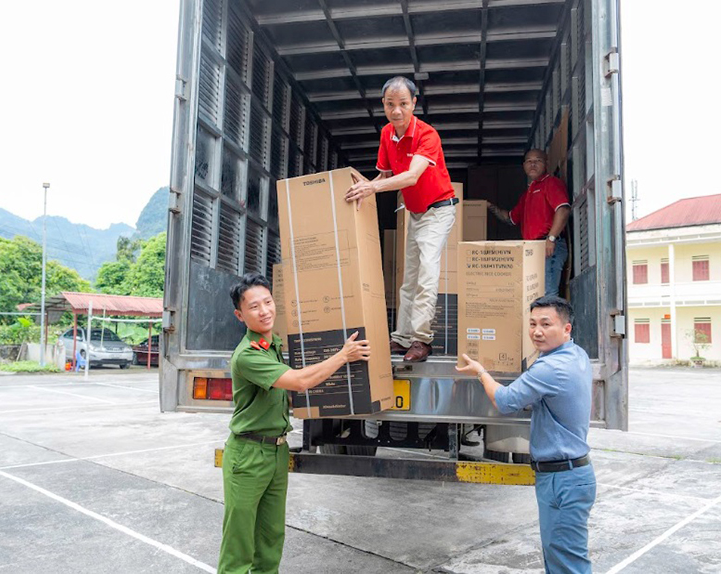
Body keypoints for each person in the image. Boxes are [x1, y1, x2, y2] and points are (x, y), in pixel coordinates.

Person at [218, 273, 371, 574]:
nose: (264, 311)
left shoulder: (272, 345)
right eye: (254, 307)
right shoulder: (247, 355)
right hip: (248, 456)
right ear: (240, 315)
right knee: (239, 546)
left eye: (268, 302)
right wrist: (343, 355)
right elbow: (299, 382)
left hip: (276, 451)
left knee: (271, 539)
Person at [457, 295, 595, 573]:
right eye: (532, 324)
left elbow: (505, 401)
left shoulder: (550, 368)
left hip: (561, 479)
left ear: (566, 328)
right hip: (571, 475)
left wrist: (481, 372)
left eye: (546, 324)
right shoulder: (576, 354)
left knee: (567, 564)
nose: (537, 331)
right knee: (560, 558)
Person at [344, 75, 456, 363]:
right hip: (416, 212)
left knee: (426, 273)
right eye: (390, 104)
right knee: (409, 279)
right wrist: (361, 188)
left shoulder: (427, 135)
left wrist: (371, 188)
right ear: (383, 104)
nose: (396, 111)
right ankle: (403, 337)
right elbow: (383, 175)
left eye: (403, 104)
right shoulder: (386, 134)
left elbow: (411, 176)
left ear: (414, 103)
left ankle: (422, 340)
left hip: (438, 210)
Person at [487, 149, 570, 296]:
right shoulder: (528, 194)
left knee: (548, 293)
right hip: (534, 248)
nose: (533, 164)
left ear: (546, 164)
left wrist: (551, 239)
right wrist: (488, 206)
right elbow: (510, 219)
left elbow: (563, 210)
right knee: (537, 294)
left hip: (549, 246)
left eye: (538, 161)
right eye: (529, 161)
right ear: (524, 165)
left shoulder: (551, 183)